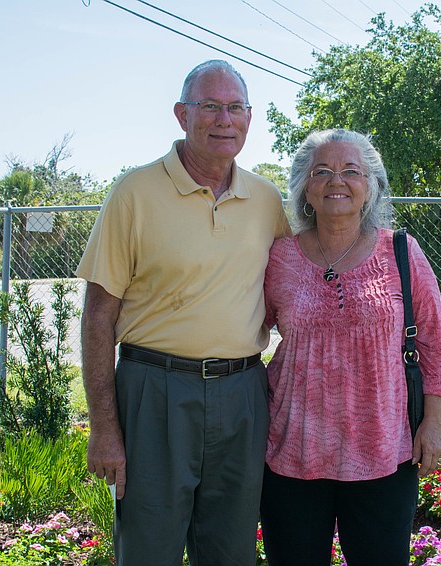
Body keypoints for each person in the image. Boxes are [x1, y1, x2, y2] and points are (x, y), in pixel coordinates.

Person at [76, 59, 290, 566]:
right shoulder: (134, 193)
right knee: (149, 549)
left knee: (232, 550)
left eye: (235, 107)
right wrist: (104, 428)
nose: (224, 119)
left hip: (242, 394)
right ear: (181, 115)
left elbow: (291, 294)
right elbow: (97, 319)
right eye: (209, 106)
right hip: (155, 392)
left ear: (250, 117)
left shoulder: (266, 200)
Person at [259, 129, 441, 566]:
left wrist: (434, 425)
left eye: (351, 171)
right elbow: (243, 330)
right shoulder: (279, 257)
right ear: (305, 189)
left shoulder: (401, 251)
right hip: (294, 452)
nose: (336, 182)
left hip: (383, 453)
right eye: (322, 172)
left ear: (371, 187)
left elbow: (433, 345)